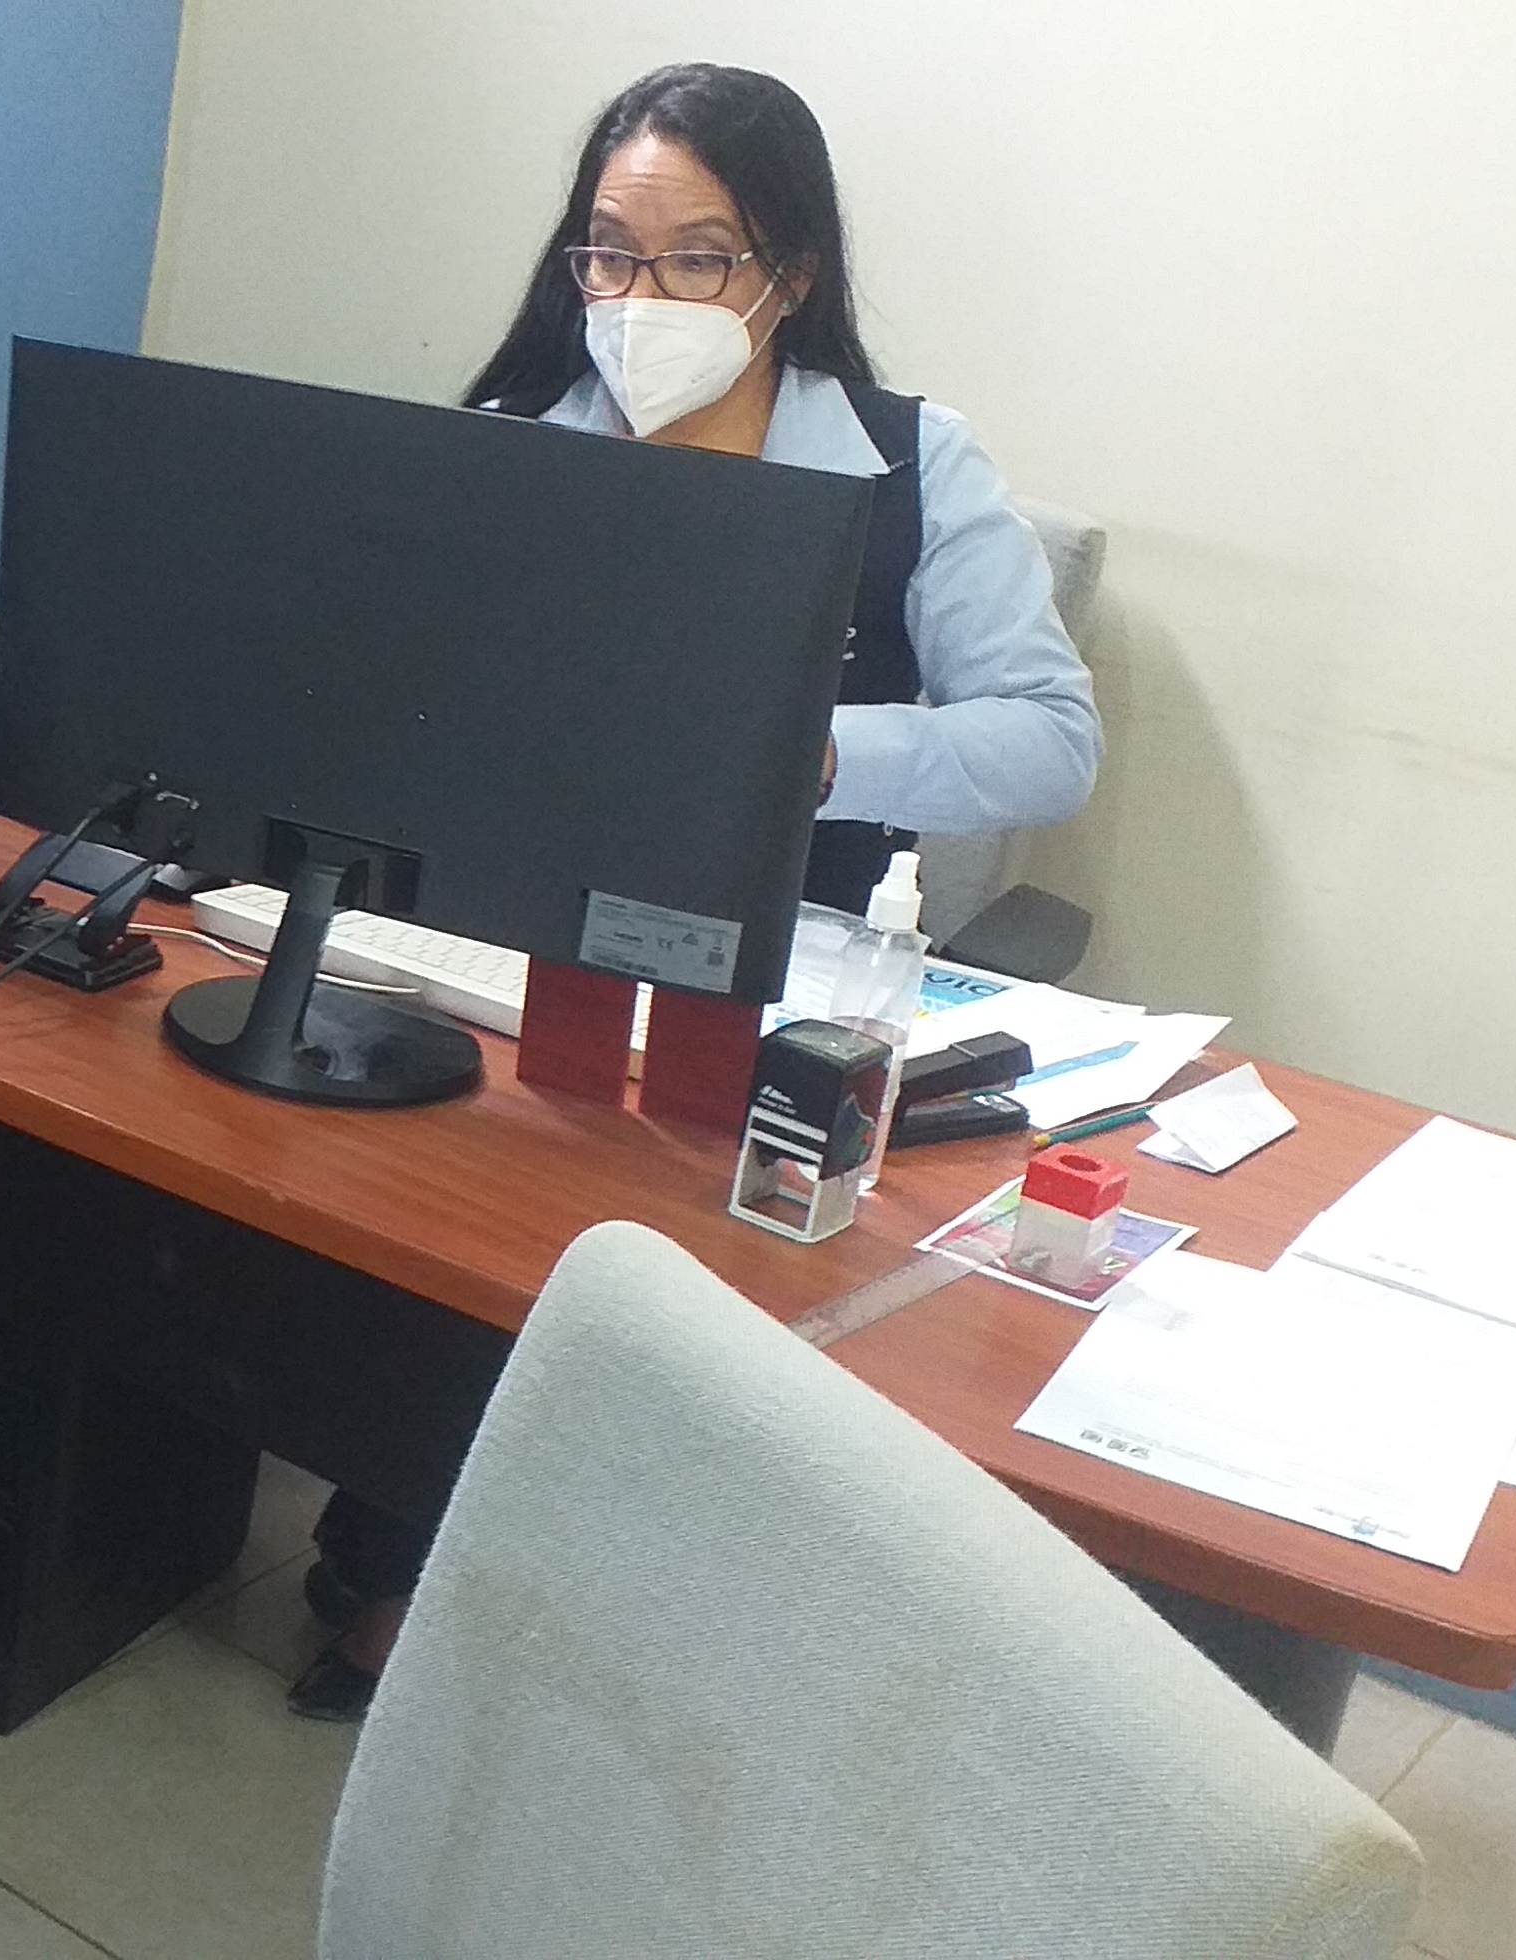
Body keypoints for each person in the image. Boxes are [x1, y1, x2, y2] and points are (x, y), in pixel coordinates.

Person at [284, 64, 1102, 1721]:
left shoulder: (913, 468)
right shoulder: (522, 444)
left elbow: (1048, 740)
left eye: (698, 258)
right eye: (609, 252)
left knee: (693, 1274)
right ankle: (402, 1558)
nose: (641, 299)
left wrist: (811, 750)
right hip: (522, 930)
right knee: (459, 1210)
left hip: (791, 968)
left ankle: (645, 1618)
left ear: (790, 272)